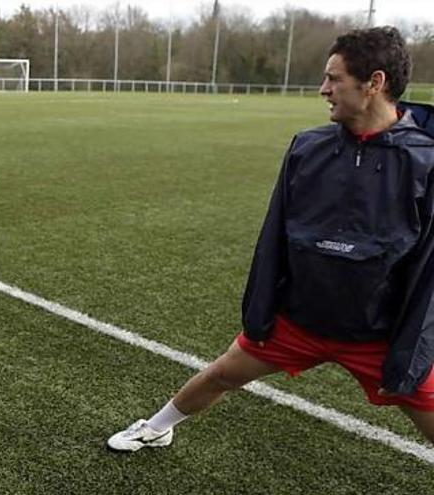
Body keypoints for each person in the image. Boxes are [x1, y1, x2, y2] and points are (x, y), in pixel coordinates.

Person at [108, 26, 434, 452]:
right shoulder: (307, 148)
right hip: (299, 322)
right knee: (222, 373)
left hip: (378, 337)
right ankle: (156, 427)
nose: (324, 89)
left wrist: (411, 343)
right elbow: (274, 236)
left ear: (375, 82)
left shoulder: (424, 161)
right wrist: (261, 310)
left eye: (334, 78)